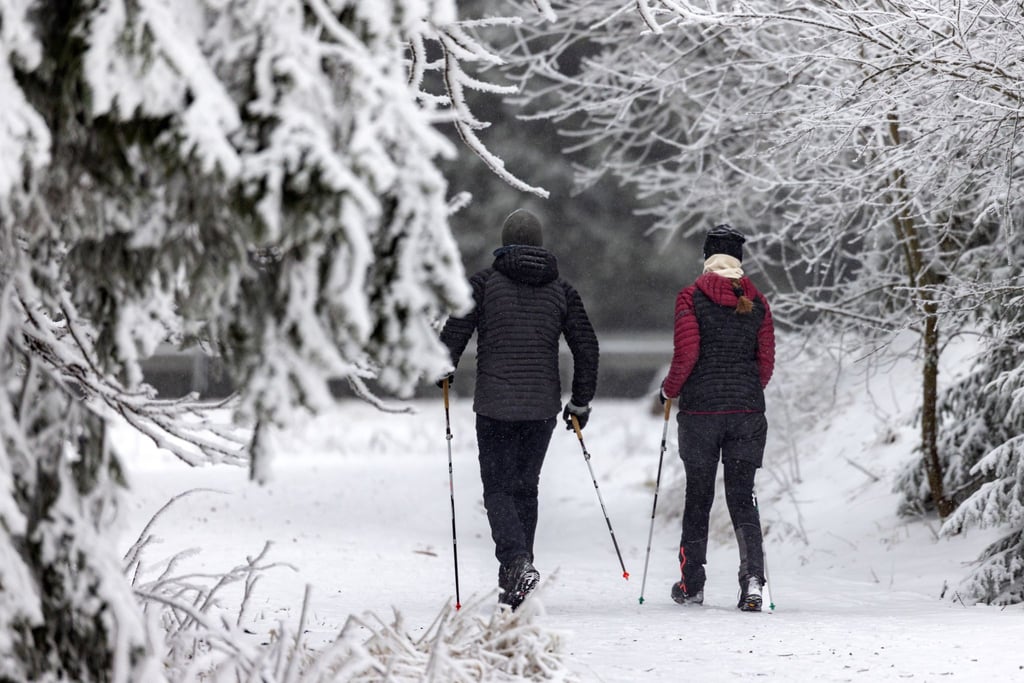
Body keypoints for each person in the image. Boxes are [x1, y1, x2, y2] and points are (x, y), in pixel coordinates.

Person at [438, 208, 599, 610]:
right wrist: (580, 401)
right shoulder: (561, 289)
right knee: (525, 488)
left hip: (494, 403)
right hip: (541, 406)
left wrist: (442, 369)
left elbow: (454, 331)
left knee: (498, 489)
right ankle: (516, 578)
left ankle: (516, 563)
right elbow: (587, 346)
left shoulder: (484, 284)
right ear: (540, 245)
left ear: (505, 241)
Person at [659, 224, 775, 612]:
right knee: (743, 498)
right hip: (746, 413)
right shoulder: (757, 301)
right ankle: (754, 581)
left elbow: (686, 356)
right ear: (739, 261)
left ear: (707, 259)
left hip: (701, 414)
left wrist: (669, 390)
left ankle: (692, 584)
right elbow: (765, 364)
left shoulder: (690, 297)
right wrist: (743, 392)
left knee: (699, 497)